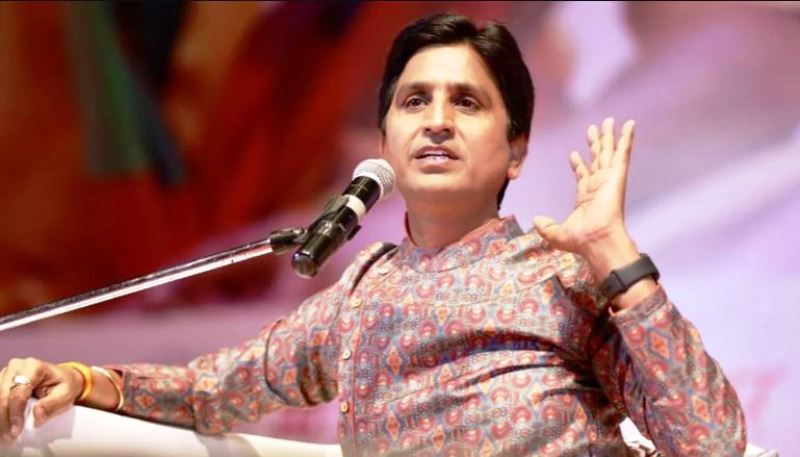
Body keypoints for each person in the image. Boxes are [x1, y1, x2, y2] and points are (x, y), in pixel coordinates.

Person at [0, 12, 746, 456]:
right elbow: (210, 390)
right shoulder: (360, 293)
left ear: (517, 149)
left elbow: (711, 443)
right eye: (415, 101)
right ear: (385, 142)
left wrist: (616, 255)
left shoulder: (567, 276)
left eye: (467, 103)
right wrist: (88, 381)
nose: (437, 121)